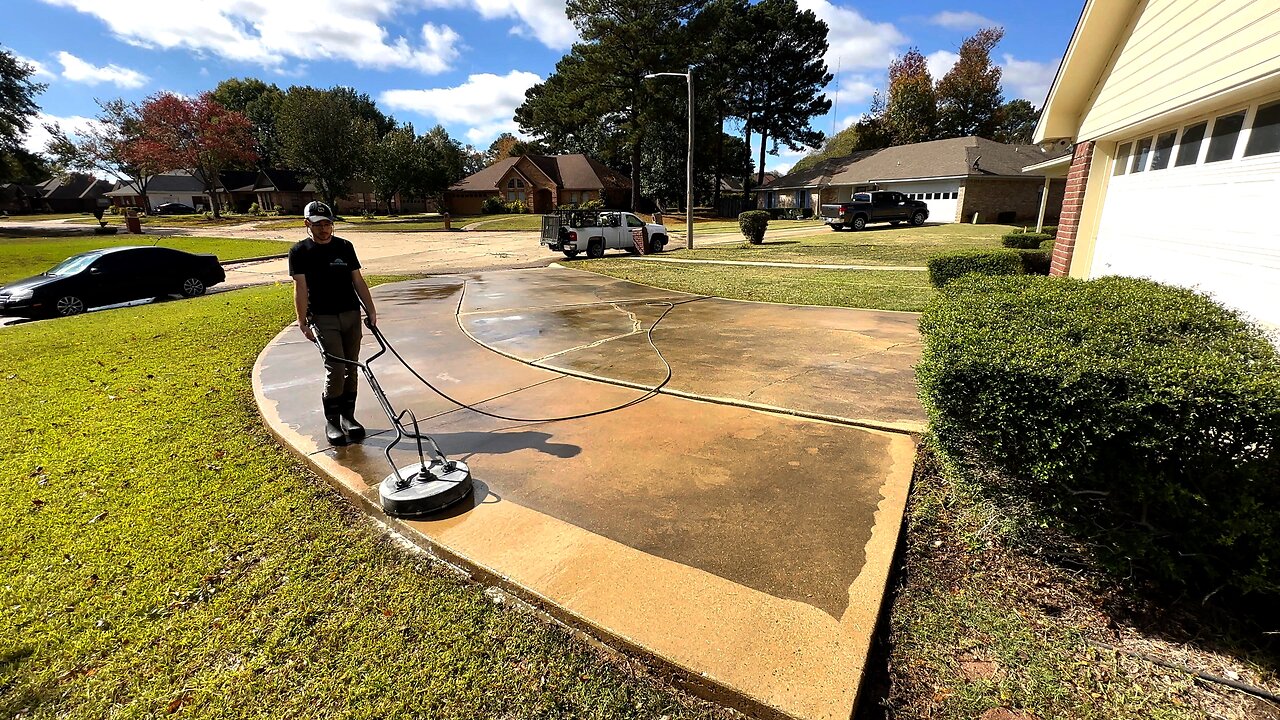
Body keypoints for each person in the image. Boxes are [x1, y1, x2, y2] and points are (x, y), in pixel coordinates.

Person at [289, 200, 378, 446]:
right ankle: (333, 420)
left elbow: (357, 280)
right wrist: (301, 320)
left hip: (350, 314)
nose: (323, 229)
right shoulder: (300, 252)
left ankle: (349, 417)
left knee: (353, 366)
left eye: (327, 224)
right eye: (318, 224)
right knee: (336, 368)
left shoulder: (345, 247)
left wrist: (370, 309)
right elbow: (300, 287)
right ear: (308, 224)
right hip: (323, 317)